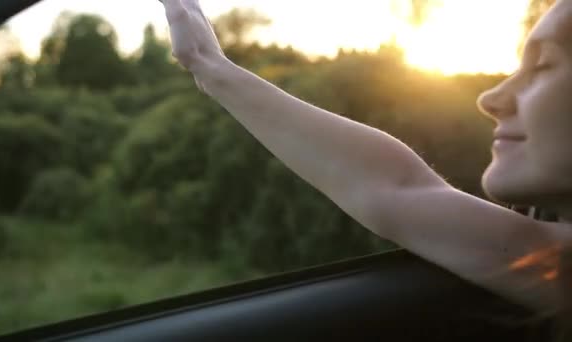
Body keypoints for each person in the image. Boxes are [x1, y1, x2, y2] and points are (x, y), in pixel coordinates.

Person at [160, 0, 572, 316]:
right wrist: (210, 67)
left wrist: (214, 69)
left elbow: (399, 191)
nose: (491, 99)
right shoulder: (553, 263)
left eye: (545, 65)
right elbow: (398, 190)